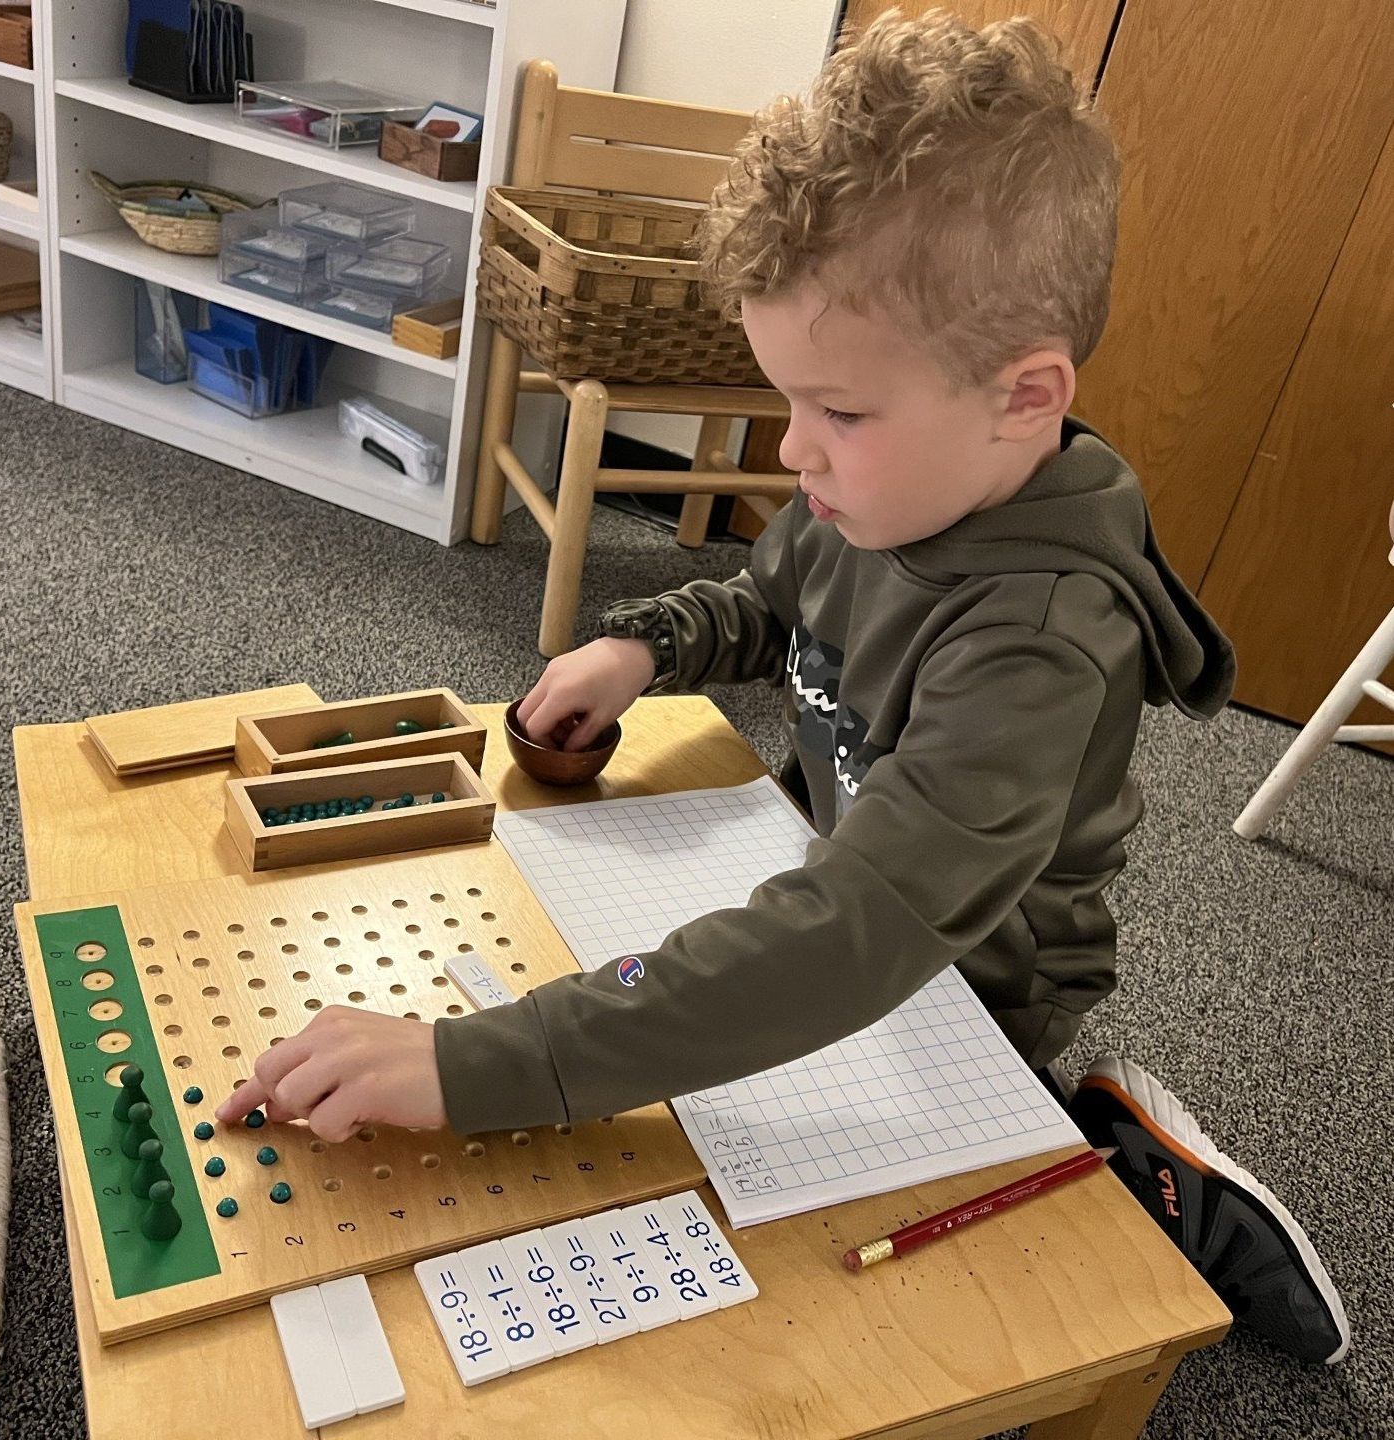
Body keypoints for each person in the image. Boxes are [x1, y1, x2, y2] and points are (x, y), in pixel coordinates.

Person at [217, 8, 1347, 1364]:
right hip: (828, 866)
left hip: (962, 986)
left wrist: (475, 1067)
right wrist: (645, 647)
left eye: (839, 413)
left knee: (831, 1308)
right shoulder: (882, 484)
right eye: (787, 401)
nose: (794, 451)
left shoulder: (1044, 639)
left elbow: (852, 938)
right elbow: (769, 602)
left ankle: (1126, 1157)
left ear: (1025, 396)